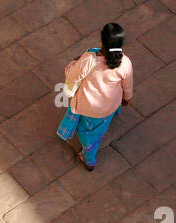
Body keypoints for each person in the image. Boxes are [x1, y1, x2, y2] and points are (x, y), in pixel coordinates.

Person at [57, 23, 133, 170]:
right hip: (110, 105)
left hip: (88, 108)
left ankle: (89, 158)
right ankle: (110, 117)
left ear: (102, 42)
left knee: (87, 133)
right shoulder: (125, 63)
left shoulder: (89, 60)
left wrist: (74, 62)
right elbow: (127, 87)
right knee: (101, 124)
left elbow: (71, 76)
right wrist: (126, 98)